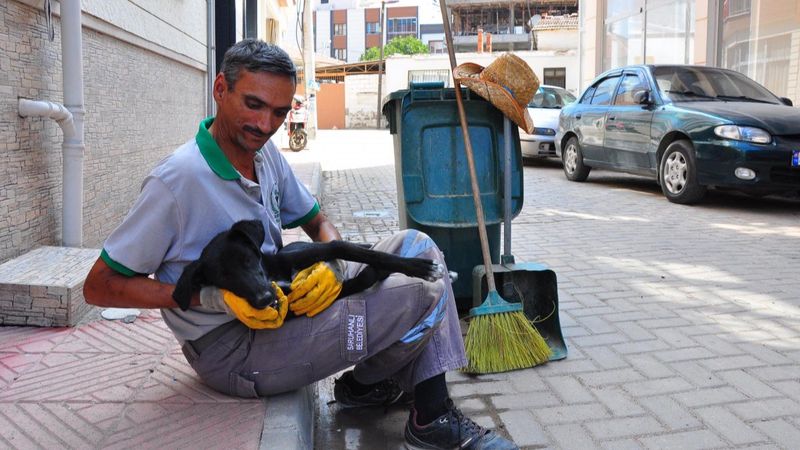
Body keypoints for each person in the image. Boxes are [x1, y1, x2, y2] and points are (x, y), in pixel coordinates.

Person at [83, 39, 517, 450]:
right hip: (230, 348)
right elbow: (99, 287)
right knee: (424, 291)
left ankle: (364, 387)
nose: (265, 125)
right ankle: (429, 419)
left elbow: (319, 222)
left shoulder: (264, 154)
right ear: (220, 89)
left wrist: (330, 267)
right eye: (253, 105)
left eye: (278, 112)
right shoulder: (177, 182)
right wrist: (214, 298)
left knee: (419, 248)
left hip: (283, 303)